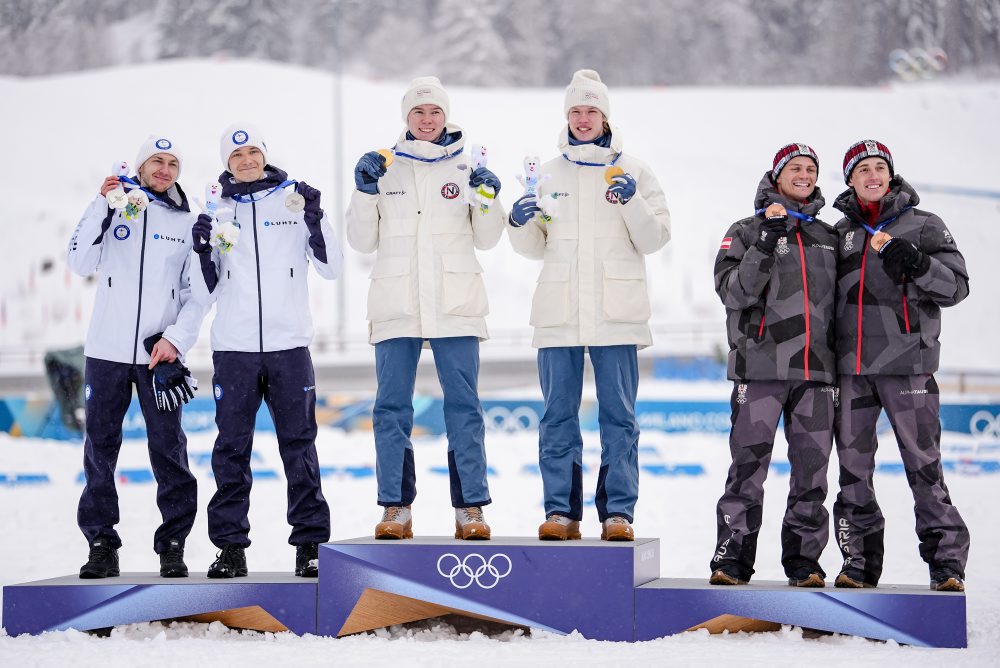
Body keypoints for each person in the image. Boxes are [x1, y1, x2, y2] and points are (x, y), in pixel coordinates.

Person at [507, 69, 670, 541]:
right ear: (567, 116)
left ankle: (618, 512)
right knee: (557, 416)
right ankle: (561, 512)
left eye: (591, 111)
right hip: (559, 314)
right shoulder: (547, 173)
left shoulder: (635, 171)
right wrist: (519, 222)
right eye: (576, 111)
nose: (583, 119)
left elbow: (655, 237)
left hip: (616, 315)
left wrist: (631, 202)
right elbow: (533, 247)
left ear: (605, 116)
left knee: (619, 416)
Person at [346, 76, 505, 540]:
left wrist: (489, 198)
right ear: (406, 118)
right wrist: (364, 189)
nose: (427, 120)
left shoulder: (465, 167)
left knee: (464, 408)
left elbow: (489, 237)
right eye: (418, 112)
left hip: (455, 302)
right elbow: (360, 240)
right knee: (391, 408)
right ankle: (396, 508)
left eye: (435, 112)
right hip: (397, 302)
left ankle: (470, 508)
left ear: (446, 116)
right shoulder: (385, 167)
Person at [190, 124, 343, 577]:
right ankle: (231, 550)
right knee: (231, 450)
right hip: (234, 350)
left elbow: (331, 267)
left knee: (299, 447)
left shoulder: (294, 199)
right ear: (227, 163)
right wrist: (202, 251)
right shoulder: (218, 208)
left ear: (264, 155)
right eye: (237, 155)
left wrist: (316, 218)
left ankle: (311, 546)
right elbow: (204, 292)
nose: (246, 160)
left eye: (253, 151)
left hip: (288, 346)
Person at [831, 140, 970, 592]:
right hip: (852, 371)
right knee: (853, 471)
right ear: (849, 180)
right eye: (862, 170)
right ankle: (858, 565)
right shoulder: (839, 232)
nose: (872, 176)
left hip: (909, 366)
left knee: (924, 467)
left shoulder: (925, 224)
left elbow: (956, 288)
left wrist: (917, 262)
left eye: (879, 168)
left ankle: (947, 565)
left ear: (890, 175)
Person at [68, 135, 206, 579]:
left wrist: (177, 341)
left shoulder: (187, 222)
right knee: (100, 449)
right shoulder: (116, 209)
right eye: (156, 162)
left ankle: (172, 544)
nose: (164, 170)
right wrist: (101, 204)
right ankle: (101, 544)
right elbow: (79, 261)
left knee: (169, 450)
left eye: (172, 163)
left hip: (158, 354)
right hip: (106, 351)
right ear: (142, 167)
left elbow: (196, 294)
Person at [708, 144, 838, 587]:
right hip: (759, 369)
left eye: (810, 169)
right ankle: (732, 560)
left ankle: (804, 562)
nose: (803, 175)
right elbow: (733, 293)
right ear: (777, 176)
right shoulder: (745, 230)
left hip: (816, 373)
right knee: (746, 471)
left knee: (812, 474)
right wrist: (766, 242)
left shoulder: (828, 235)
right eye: (794, 168)